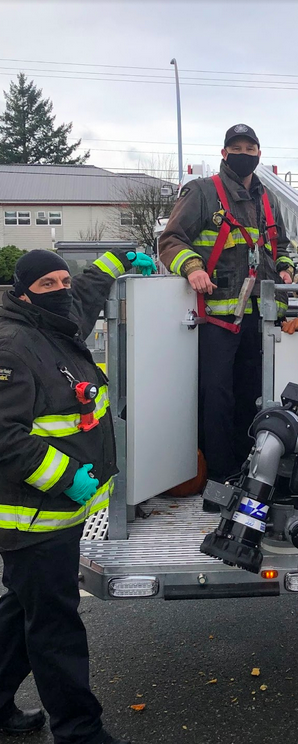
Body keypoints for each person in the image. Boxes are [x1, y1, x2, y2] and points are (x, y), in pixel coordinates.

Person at [0, 247, 155, 743]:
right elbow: (5, 436)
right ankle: (80, 732)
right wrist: (67, 477)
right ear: (23, 293)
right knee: (55, 628)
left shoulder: (57, 326)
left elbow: (85, 293)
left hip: (56, 515)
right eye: (48, 284)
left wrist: (121, 261)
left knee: (25, 610)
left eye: (63, 281)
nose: (61, 290)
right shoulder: (12, 346)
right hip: (30, 517)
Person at [159, 124, 294, 486]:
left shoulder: (268, 199)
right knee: (217, 397)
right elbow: (170, 239)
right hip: (217, 319)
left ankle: (253, 469)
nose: (244, 153)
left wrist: (285, 267)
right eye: (236, 147)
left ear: (259, 154)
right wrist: (192, 266)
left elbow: (281, 245)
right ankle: (220, 474)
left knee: (256, 396)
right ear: (223, 153)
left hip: (261, 318)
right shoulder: (202, 192)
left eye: (250, 147)